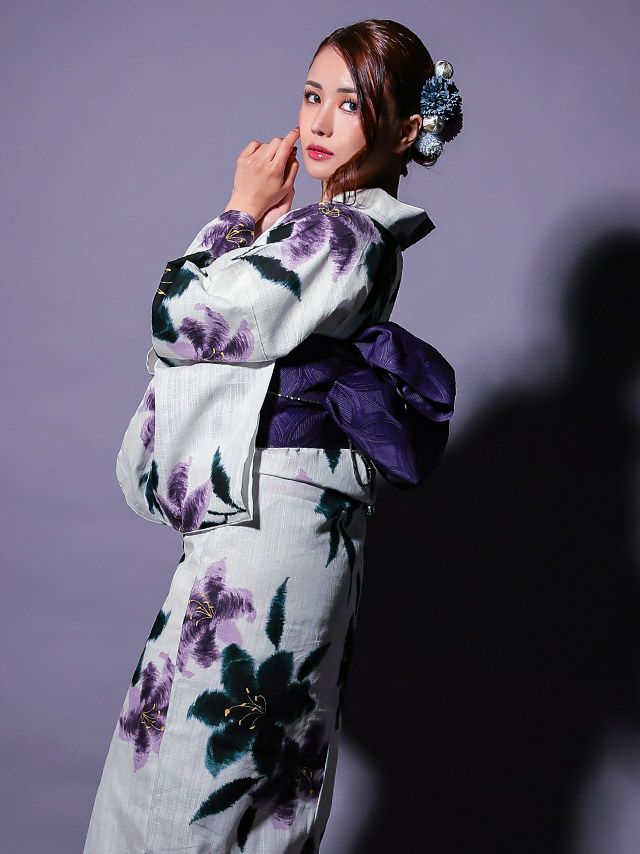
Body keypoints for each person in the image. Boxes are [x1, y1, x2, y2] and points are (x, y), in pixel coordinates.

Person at [84, 18, 461, 854]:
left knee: (188, 782)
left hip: (270, 524)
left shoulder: (338, 234)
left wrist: (239, 211)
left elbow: (182, 317)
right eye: (312, 95)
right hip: (301, 521)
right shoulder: (351, 235)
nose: (319, 123)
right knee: (257, 792)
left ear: (406, 130)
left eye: (351, 105)